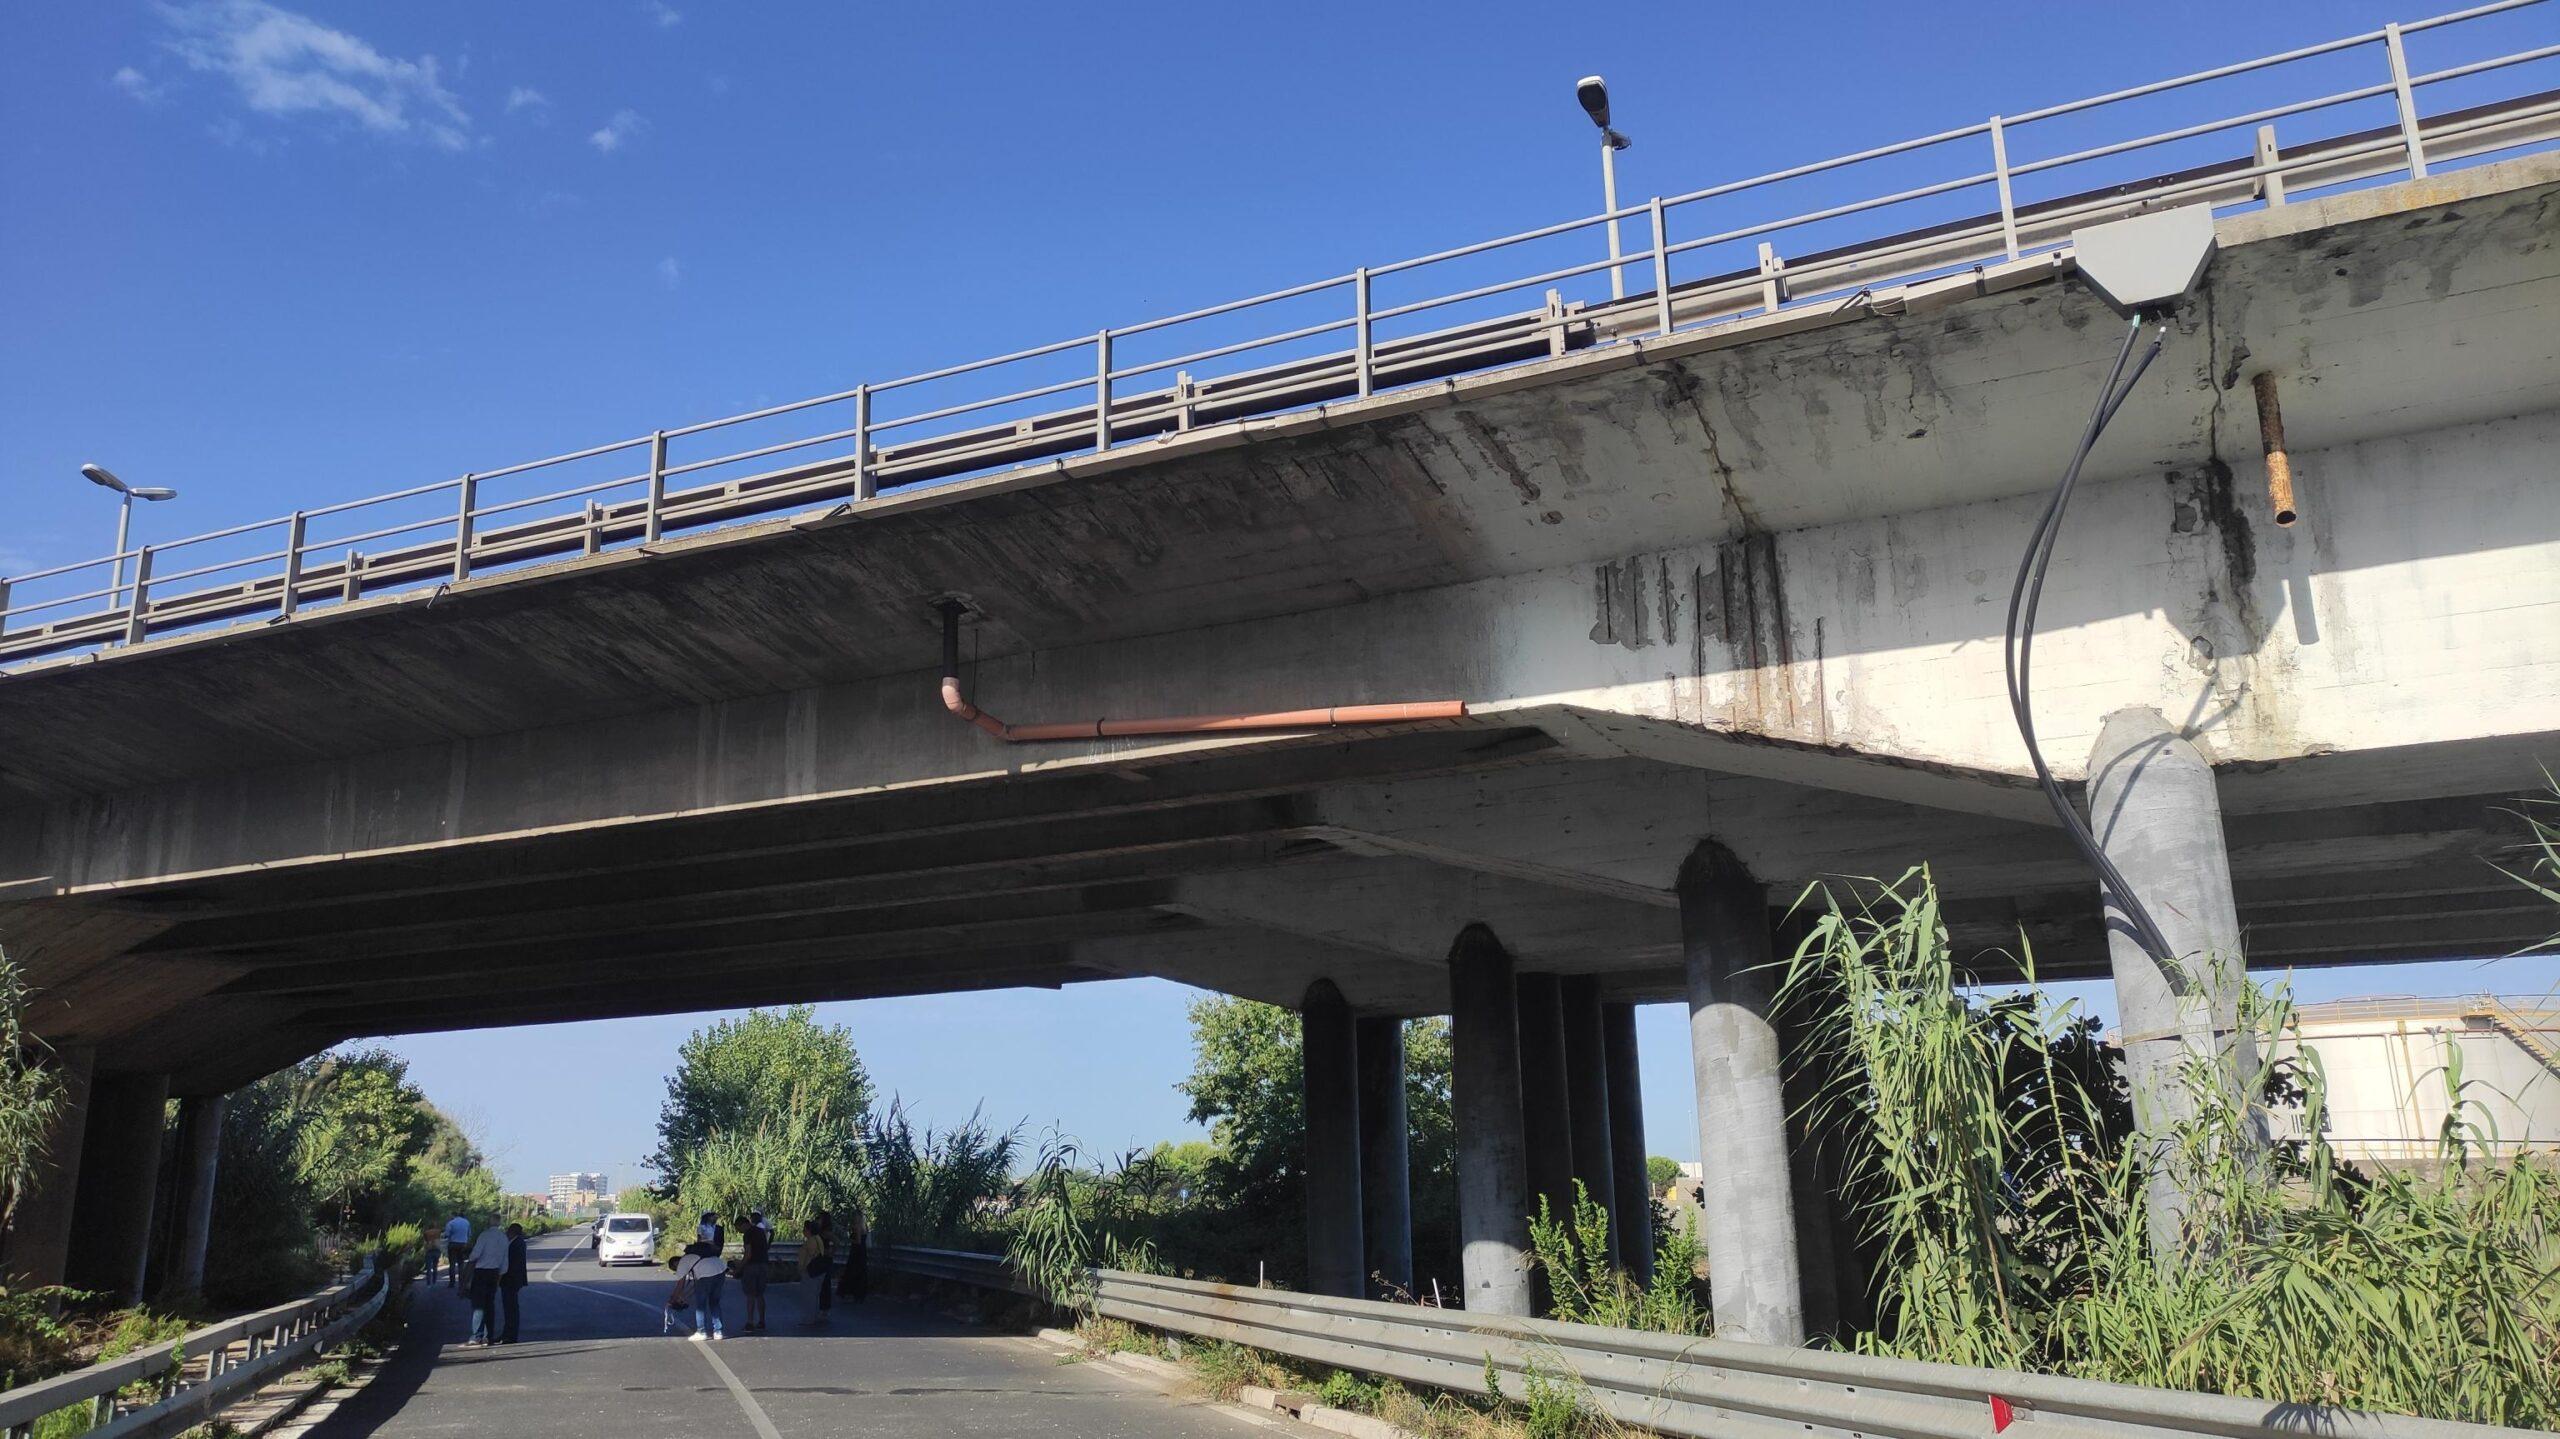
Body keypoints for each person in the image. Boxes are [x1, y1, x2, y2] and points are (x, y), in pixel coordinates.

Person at [666, 1248, 728, 1341]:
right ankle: (718, 1332)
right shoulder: (692, 1259)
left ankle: (701, 1332)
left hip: (707, 1273)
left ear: (675, 1263)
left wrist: (672, 1300)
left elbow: (680, 1285)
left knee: (700, 1305)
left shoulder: (683, 1262)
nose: (678, 1271)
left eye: (675, 1269)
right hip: (720, 1269)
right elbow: (696, 1286)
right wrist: (684, 1297)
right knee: (714, 1302)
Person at [464, 1220, 508, 1345]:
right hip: (495, 1273)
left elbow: (475, 1254)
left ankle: (476, 1335)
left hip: (481, 1272)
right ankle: (488, 1336)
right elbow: (505, 1261)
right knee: (490, 1305)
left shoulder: (484, 1235)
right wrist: (499, 1278)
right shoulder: (503, 1237)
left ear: (488, 1224)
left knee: (478, 1304)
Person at [736, 1211, 771, 1333]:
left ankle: (750, 1322)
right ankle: (762, 1321)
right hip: (763, 1264)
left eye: (738, 1228)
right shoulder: (761, 1231)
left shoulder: (748, 1234)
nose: (739, 1231)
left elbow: (748, 1253)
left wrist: (740, 1267)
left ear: (743, 1224)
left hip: (752, 1266)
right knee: (760, 1294)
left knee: (750, 1295)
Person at [498, 1223, 529, 1344]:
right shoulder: (517, 1242)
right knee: (509, 1308)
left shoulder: (517, 1243)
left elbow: (510, 1262)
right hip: (512, 1279)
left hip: (511, 1279)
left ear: (512, 1232)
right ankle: (506, 1333)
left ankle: (510, 1335)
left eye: (508, 1231)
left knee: (511, 1308)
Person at [836, 1198, 869, 1305]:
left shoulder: (858, 1227)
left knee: (852, 1271)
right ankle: (858, 1294)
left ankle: (851, 1293)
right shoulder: (864, 1227)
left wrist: (849, 1239)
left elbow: (858, 1241)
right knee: (860, 1272)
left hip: (856, 1251)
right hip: (862, 1251)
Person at [800, 1216, 834, 1321]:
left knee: (810, 1295)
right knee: (816, 1293)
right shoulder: (819, 1239)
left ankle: (810, 1317)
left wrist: (803, 1268)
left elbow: (809, 1257)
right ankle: (816, 1314)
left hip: (812, 1271)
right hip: (820, 1269)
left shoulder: (811, 1242)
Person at [441, 1212, 473, 1290]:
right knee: (461, 1263)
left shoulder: (451, 1223)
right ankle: (461, 1282)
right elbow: (469, 1234)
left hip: (453, 1244)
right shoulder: (467, 1222)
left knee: (452, 1264)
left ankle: (452, 1282)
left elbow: (447, 1234)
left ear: (454, 1216)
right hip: (463, 1244)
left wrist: (443, 1235)